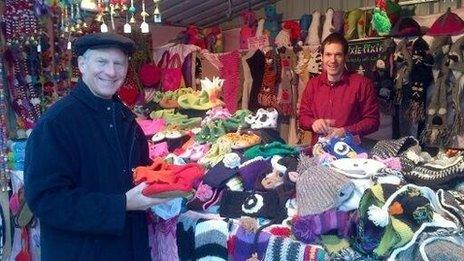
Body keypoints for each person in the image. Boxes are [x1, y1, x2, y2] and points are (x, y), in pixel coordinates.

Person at [24, 33, 167, 260]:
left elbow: (139, 172)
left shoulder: (125, 118)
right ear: (82, 64)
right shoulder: (56, 123)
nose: (111, 72)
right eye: (102, 62)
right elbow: (46, 200)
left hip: (129, 248)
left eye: (118, 63)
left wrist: (165, 177)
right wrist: (121, 205)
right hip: (80, 253)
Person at [299, 33, 379, 145]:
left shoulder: (362, 84)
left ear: (346, 57)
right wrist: (313, 123)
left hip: (351, 153)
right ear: (321, 57)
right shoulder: (312, 85)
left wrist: (346, 131)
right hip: (319, 153)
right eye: (328, 54)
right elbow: (302, 118)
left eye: (338, 55)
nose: (332, 60)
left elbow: (373, 121)